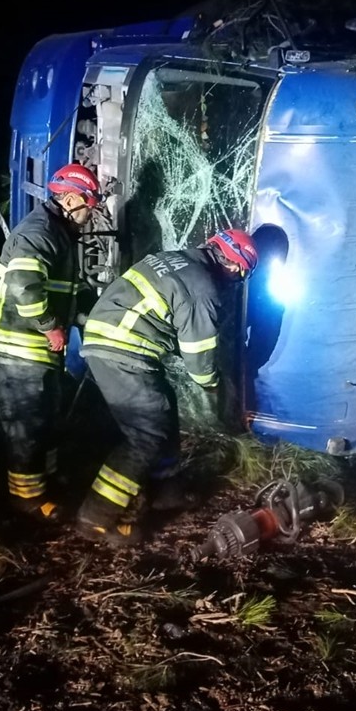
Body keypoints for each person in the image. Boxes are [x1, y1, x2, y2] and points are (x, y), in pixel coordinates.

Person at [76, 228, 258, 547]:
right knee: (145, 436)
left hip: (111, 338)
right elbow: (199, 359)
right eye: (239, 276)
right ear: (234, 266)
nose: (235, 283)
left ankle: (167, 491)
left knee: (165, 407)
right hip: (123, 350)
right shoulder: (203, 289)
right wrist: (215, 389)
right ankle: (97, 516)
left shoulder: (176, 259)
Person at [0, 163, 101, 520]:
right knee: (26, 426)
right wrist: (51, 326)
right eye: (88, 203)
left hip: (37, 354)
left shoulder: (59, 232)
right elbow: (23, 285)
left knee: (47, 421)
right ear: (69, 198)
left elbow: (69, 289)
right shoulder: (39, 232)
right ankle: (26, 500)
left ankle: (46, 483)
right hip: (16, 351)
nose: (91, 211)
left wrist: (91, 317)